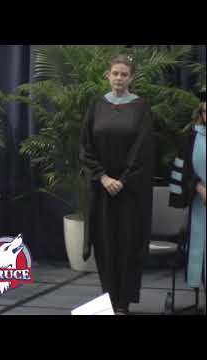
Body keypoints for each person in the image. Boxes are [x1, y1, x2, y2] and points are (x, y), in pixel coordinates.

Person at [80, 55, 154, 315]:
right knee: (106, 245)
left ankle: (123, 303)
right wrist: (103, 177)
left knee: (127, 245)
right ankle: (109, 302)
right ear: (108, 76)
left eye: (124, 74)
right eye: (115, 73)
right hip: (103, 191)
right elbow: (86, 147)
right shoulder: (97, 106)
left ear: (131, 78)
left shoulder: (141, 107)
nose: (119, 78)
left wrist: (122, 180)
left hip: (130, 193)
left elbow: (143, 148)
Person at [169, 94, 205, 299]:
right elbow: (184, 169)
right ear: (201, 114)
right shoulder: (192, 136)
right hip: (199, 202)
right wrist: (198, 187)